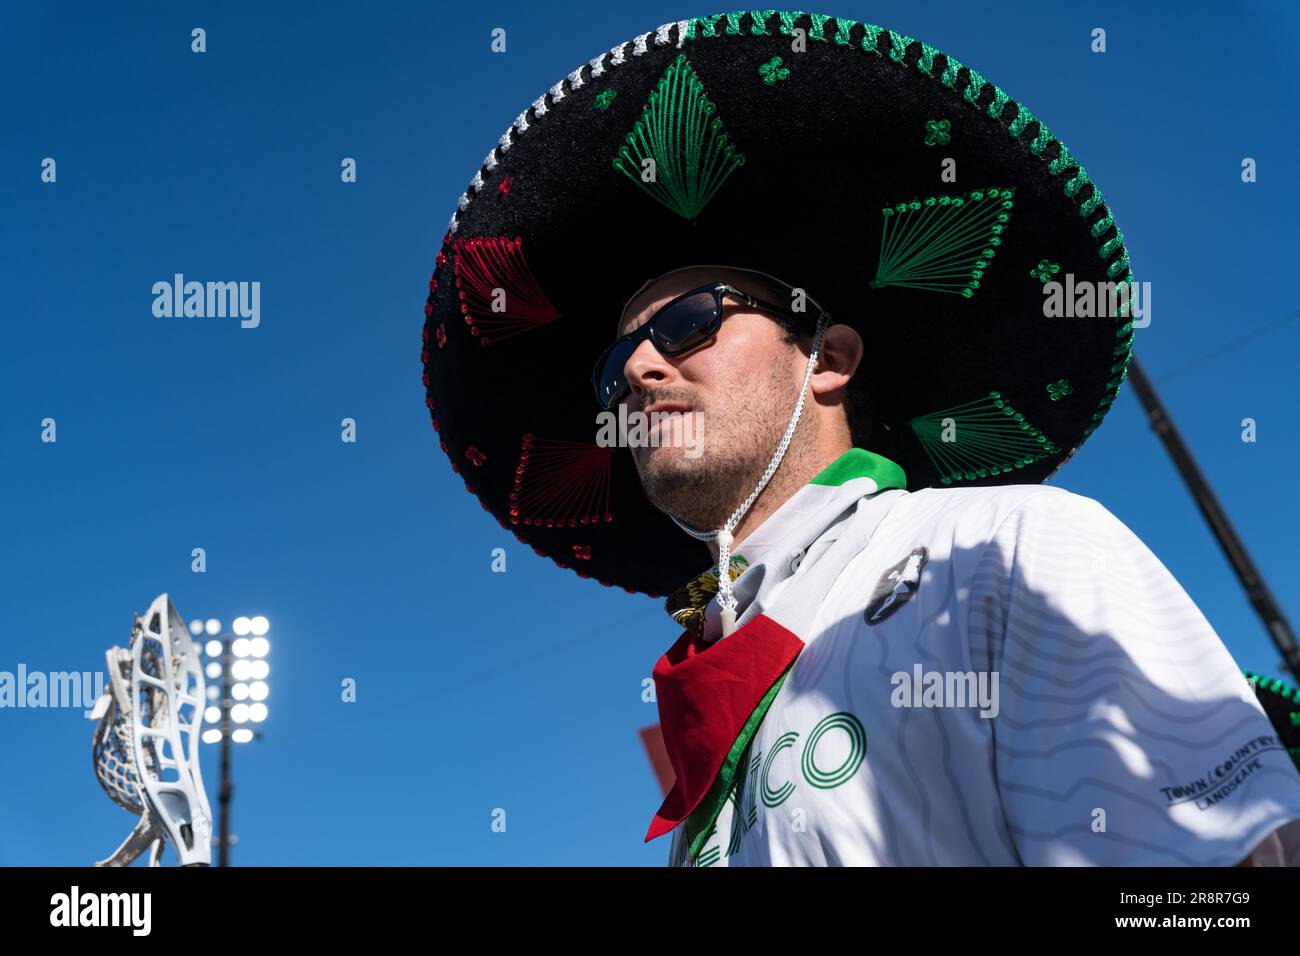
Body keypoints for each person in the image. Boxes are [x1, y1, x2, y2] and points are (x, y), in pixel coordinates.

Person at [420, 12, 1300, 865]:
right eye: (617, 367)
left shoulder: (1009, 549)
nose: (642, 371)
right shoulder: (703, 760)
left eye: (690, 323)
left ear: (829, 360)